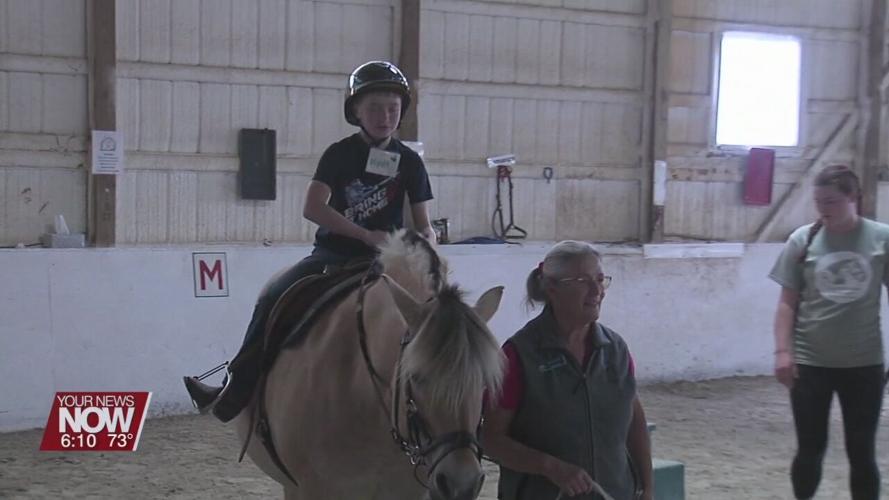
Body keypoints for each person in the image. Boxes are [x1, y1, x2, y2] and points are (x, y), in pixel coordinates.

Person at [184, 60, 435, 422]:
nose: (385, 116)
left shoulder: (410, 162)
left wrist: (424, 244)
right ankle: (236, 388)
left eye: (393, 109)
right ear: (357, 112)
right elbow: (313, 207)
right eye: (375, 108)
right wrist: (365, 234)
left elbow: (423, 222)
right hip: (334, 255)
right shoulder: (339, 154)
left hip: (389, 262)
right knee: (274, 296)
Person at [482, 241, 652, 500]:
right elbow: (492, 440)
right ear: (552, 288)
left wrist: (647, 489)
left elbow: (635, 423)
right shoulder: (518, 356)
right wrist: (549, 466)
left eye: (600, 279)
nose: (597, 290)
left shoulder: (616, 350)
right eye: (582, 280)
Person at [770, 165, 889, 500]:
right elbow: (786, 304)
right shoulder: (803, 239)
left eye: (833, 201)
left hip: (865, 364)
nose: (824, 208)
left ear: (855, 199)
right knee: (810, 447)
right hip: (810, 364)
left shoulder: (881, 238)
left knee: (862, 451)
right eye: (819, 201)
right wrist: (782, 351)